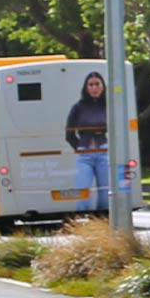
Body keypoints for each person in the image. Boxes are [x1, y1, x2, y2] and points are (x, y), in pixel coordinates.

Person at [64, 71, 110, 216]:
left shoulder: (108, 105)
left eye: (97, 84)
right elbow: (69, 134)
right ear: (86, 88)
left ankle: (104, 219)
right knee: (82, 189)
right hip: (84, 153)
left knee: (105, 191)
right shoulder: (78, 107)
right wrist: (79, 147)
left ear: (102, 86)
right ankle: (82, 219)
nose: (94, 88)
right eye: (91, 85)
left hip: (103, 150)